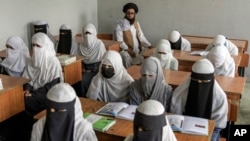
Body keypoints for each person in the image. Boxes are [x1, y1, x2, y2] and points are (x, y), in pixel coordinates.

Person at [170, 58, 228, 141]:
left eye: (204, 82)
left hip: (209, 131)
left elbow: (217, 127)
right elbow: (175, 118)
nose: (199, 84)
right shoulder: (180, 92)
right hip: (183, 129)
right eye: (196, 81)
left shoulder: (220, 97)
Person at [30, 83, 98, 141]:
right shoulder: (39, 126)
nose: (52, 112)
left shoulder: (83, 131)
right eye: (50, 109)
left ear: (71, 109)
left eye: (59, 110)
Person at [22, 33, 64, 117]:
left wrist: (34, 94)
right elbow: (28, 79)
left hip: (48, 94)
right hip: (33, 92)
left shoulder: (53, 62)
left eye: (38, 46)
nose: (35, 48)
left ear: (46, 47)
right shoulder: (31, 61)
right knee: (19, 100)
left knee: (24, 103)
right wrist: (27, 89)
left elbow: (52, 86)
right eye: (33, 45)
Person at [114, 2, 152, 68]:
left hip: (137, 49)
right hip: (126, 50)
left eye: (132, 13)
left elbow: (141, 37)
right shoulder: (120, 24)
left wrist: (149, 45)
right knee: (125, 56)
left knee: (150, 52)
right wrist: (128, 50)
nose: (130, 15)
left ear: (135, 14)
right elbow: (119, 41)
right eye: (128, 13)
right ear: (125, 13)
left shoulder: (136, 23)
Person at [76, 23, 106, 97]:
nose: (87, 36)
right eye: (85, 33)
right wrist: (82, 69)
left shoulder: (99, 45)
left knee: (83, 81)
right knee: (73, 79)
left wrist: (91, 70)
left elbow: (103, 61)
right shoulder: (81, 45)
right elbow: (79, 60)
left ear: (94, 33)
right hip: (83, 69)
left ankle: (85, 99)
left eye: (90, 33)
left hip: (96, 70)